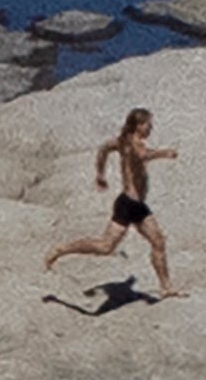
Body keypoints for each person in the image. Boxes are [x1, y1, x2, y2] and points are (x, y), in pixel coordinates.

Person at [39, 108, 177, 298]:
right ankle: (61, 250)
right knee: (105, 247)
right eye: (148, 124)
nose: (151, 128)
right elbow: (142, 155)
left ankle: (166, 287)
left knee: (158, 241)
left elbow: (104, 149)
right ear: (138, 126)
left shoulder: (122, 142)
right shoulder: (130, 145)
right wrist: (165, 153)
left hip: (139, 206)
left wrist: (100, 174)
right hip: (127, 204)